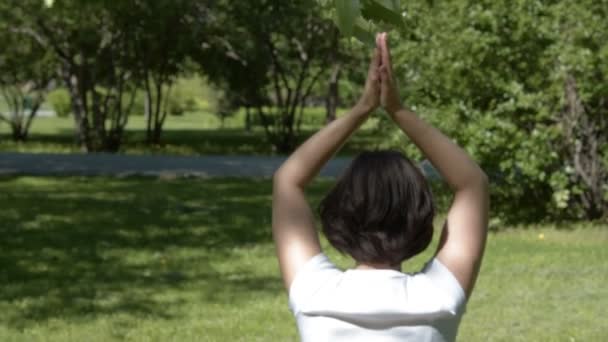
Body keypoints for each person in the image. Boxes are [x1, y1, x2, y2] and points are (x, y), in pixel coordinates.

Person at [272, 32, 489, 341]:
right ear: (420, 219)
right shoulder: (440, 297)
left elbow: (287, 180)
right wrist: (398, 110)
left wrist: (362, 108)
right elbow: (472, 183)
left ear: (339, 217)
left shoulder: (314, 295)